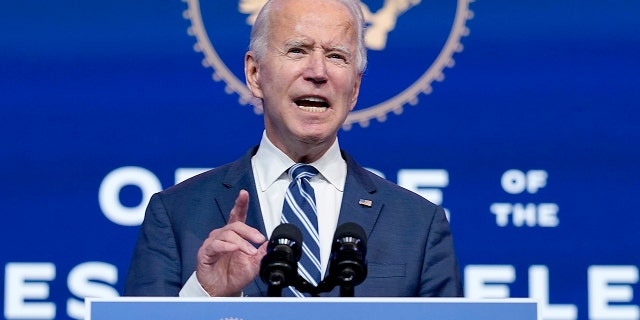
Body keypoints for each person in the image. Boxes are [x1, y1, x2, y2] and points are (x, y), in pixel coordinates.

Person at [124, 0, 462, 297]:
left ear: (355, 88)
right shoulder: (175, 214)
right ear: (255, 73)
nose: (318, 72)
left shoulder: (419, 223)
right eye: (297, 50)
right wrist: (207, 297)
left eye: (336, 55)